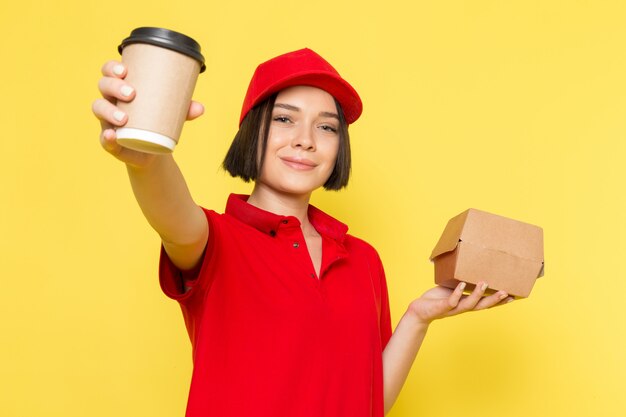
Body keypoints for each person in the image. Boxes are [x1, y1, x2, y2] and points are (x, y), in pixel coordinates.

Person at [92, 48, 513, 417]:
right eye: (284, 119)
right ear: (252, 130)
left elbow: (367, 402)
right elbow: (172, 215)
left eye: (326, 127)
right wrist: (145, 156)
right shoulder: (215, 240)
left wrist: (418, 318)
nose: (306, 140)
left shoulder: (362, 259)